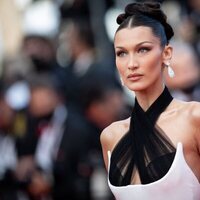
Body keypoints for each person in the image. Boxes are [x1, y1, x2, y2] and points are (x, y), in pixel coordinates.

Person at [100, 2, 200, 200]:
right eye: (122, 53)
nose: (131, 64)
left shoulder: (194, 118)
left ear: (166, 54)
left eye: (143, 50)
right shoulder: (110, 136)